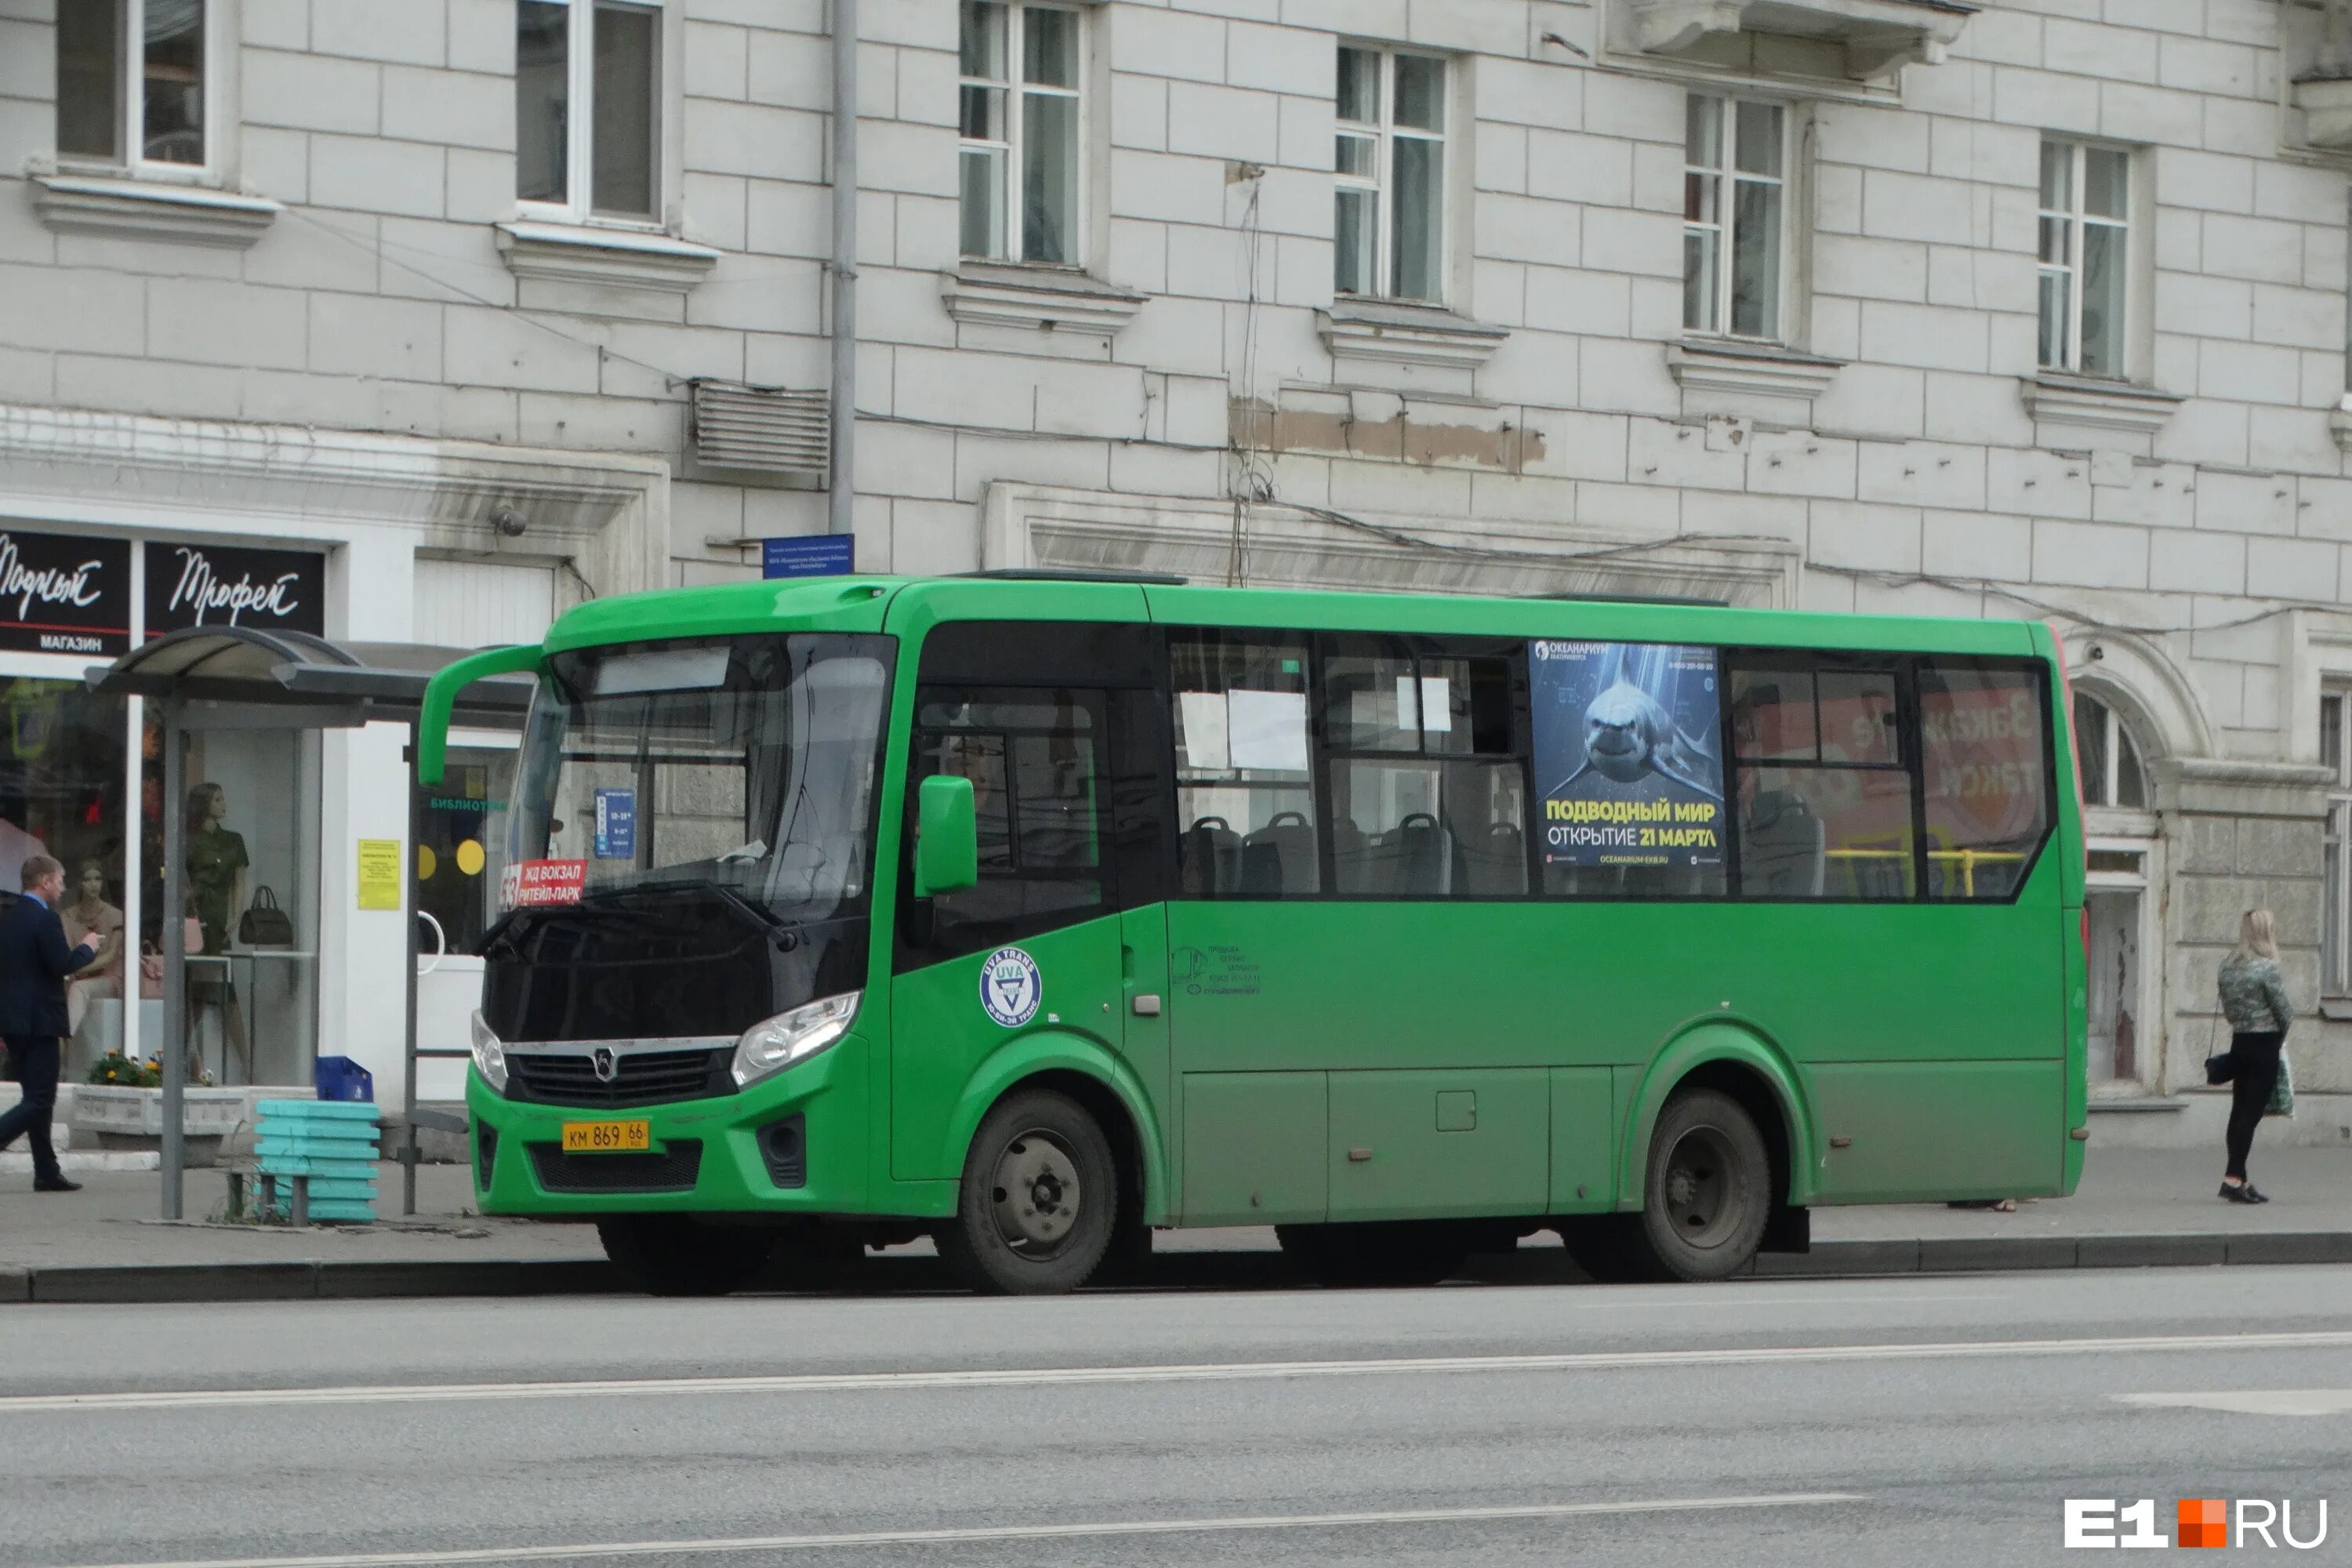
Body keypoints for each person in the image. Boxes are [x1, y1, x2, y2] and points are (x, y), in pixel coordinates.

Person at [0, 855, 100, 1192]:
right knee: (41, 1098)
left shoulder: (8, 918)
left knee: (35, 1096)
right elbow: (61, 964)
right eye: (60, 879)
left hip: (14, 1022)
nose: (63, 886)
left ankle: (46, 1171)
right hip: (41, 1021)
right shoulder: (46, 920)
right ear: (44, 882)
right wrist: (87, 949)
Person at [2216, 909, 2296, 1205]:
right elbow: (2285, 1011)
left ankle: (2241, 1179)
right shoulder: (2267, 968)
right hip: (2265, 1044)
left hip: (2240, 1040)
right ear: (2267, 932)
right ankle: (2233, 1179)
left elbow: (2228, 1009)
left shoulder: (2229, 967)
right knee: (2250, 1114)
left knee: (2239, 1111)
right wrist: (2279, 1037)